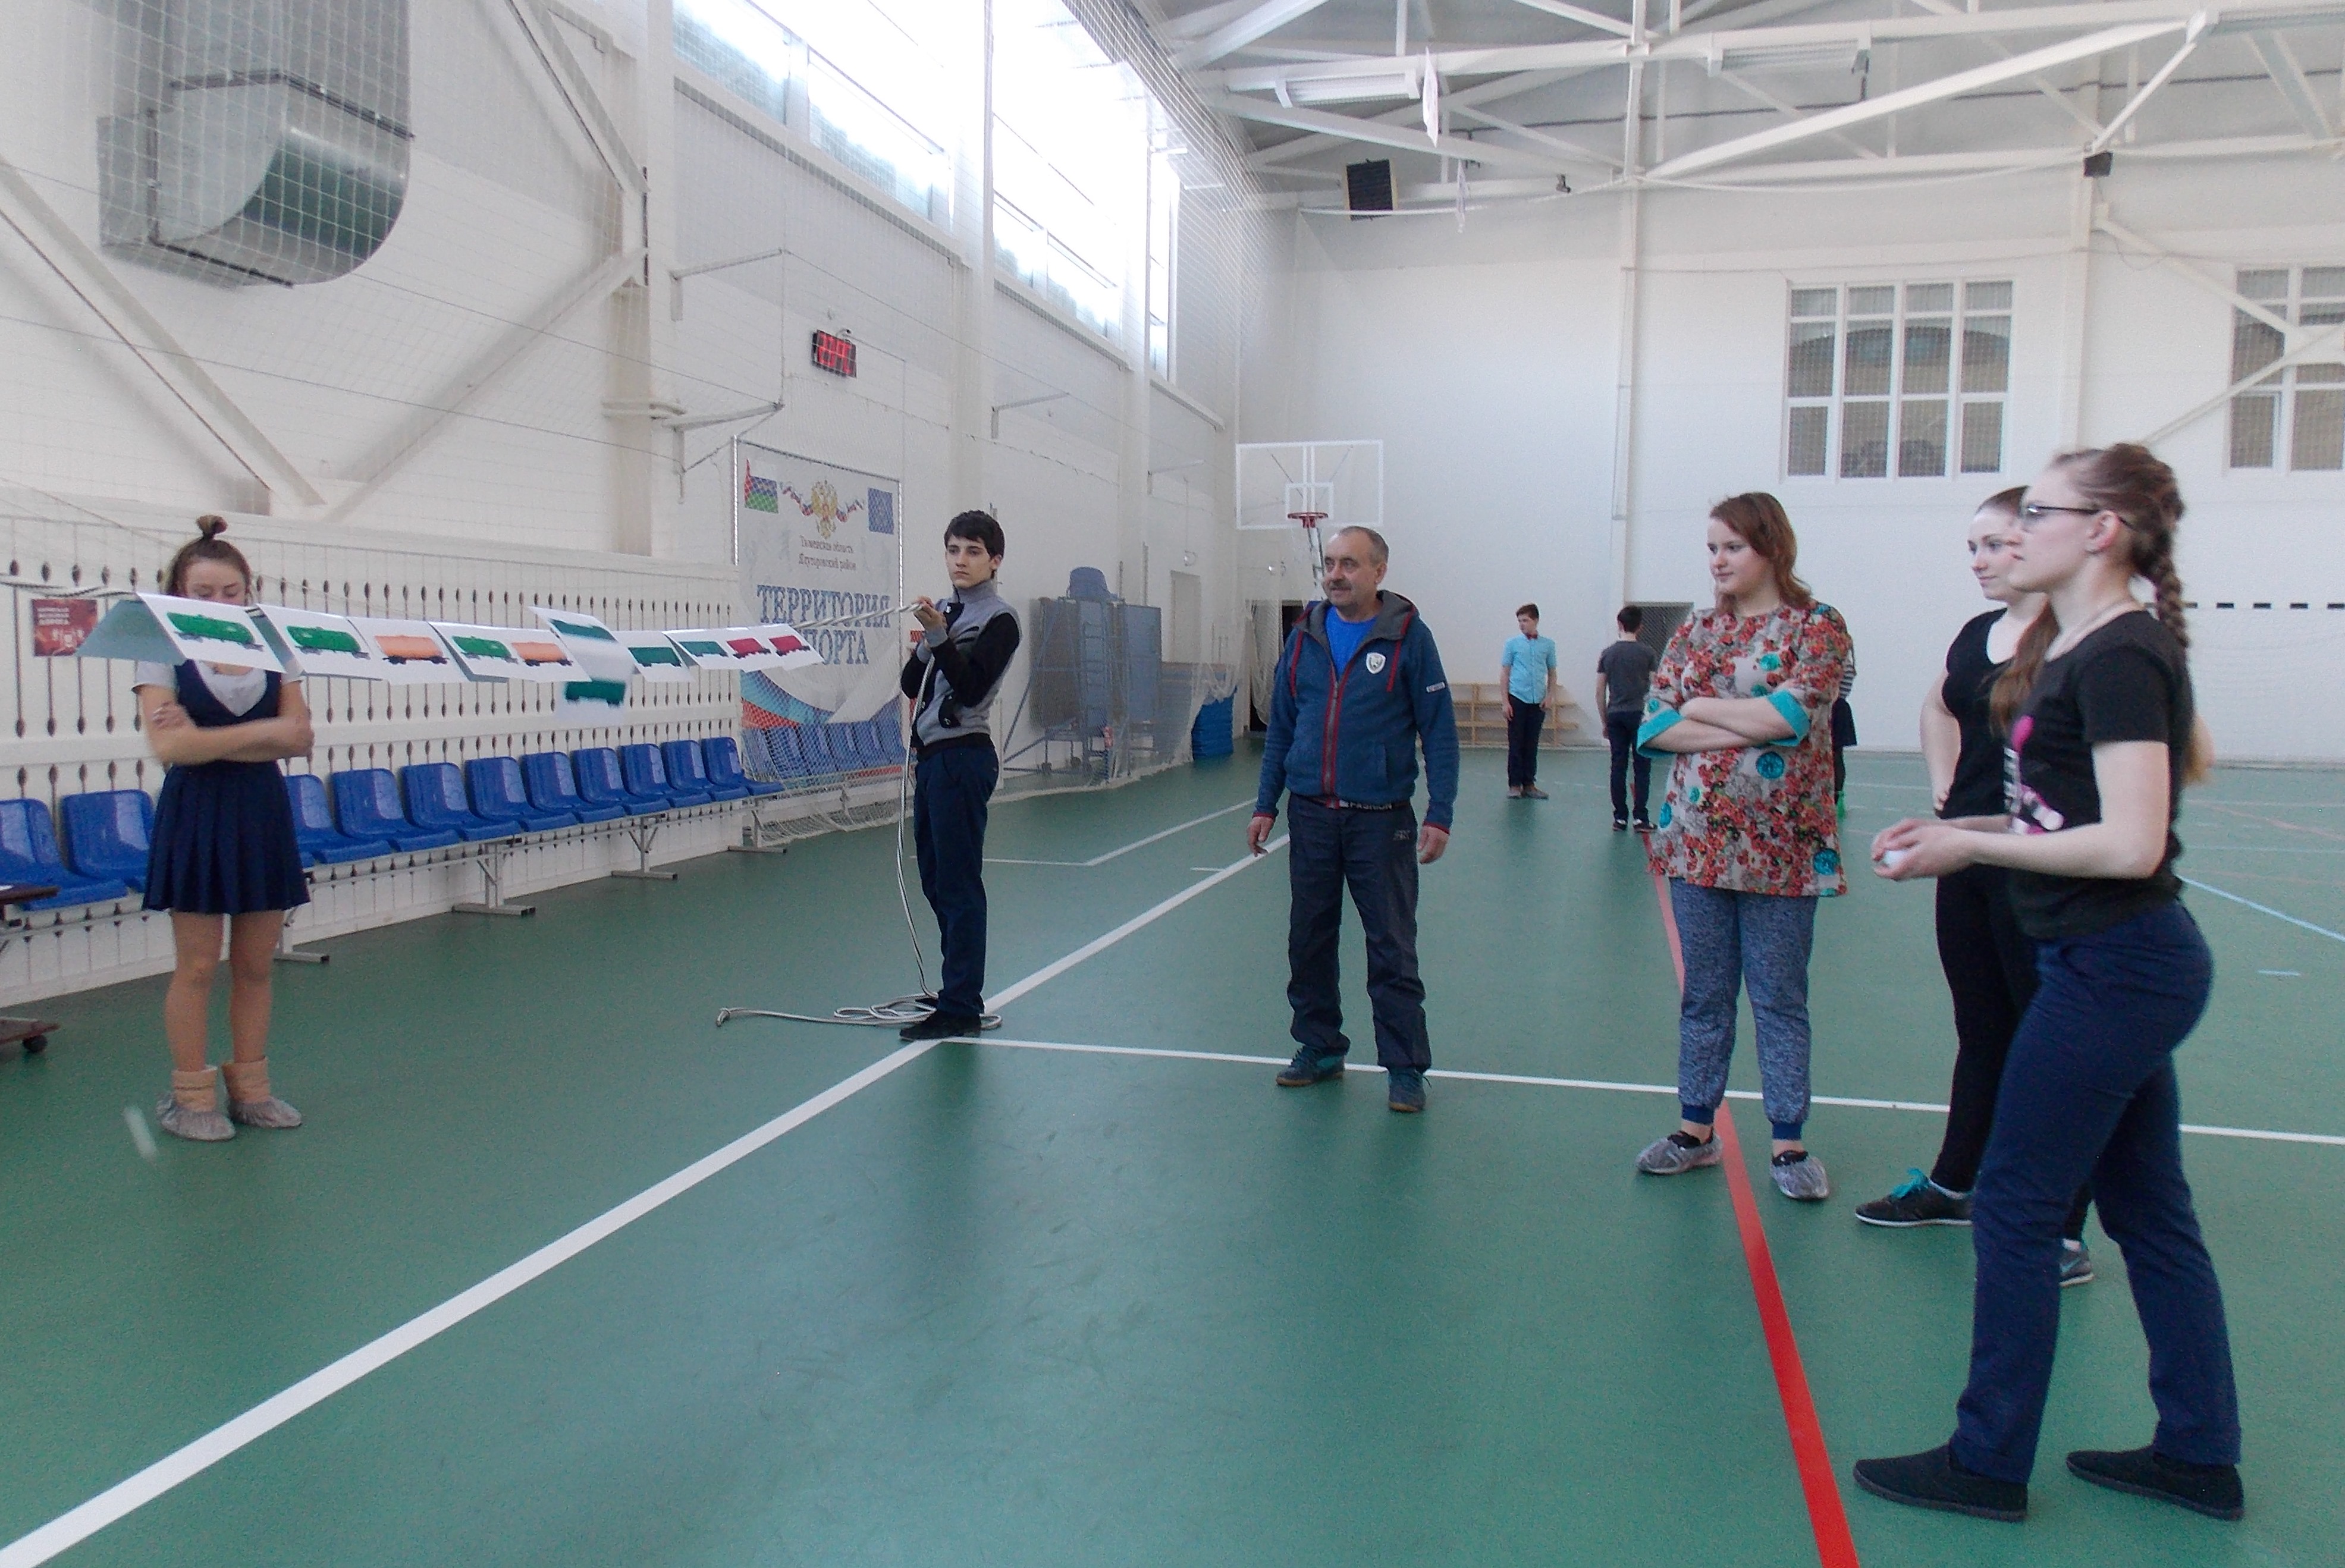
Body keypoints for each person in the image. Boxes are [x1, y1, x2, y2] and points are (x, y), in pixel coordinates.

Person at [1855, 444, 2242, 1525]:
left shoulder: (2120, 654)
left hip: (2117, 966)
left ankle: (1984, 1463)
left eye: (2036, 513)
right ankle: (2197, 1456)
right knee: (2149, 1209)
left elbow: (2128, 843)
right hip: (2105, 962)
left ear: (2100, 530)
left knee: (2016, 1206)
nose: (2014, 532)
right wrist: (1957, 822)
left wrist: (1970, 850)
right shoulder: (2071, 647)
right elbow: (2055, 814)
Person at [1855, 489, 2095, 1289]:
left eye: (1994, 545)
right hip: (1964, 858)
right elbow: (1937, 705)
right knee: (1981, 1026)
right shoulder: (1973, 635)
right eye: (1972, 548)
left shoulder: (2071, 640)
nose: (1980, 562)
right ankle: (1956, 1183)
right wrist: (1942, 790)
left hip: (2039, 863)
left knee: (2048, 1038)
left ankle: (2062, 1224)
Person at [1631, 495, 1851, 1201]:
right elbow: (1654, 728)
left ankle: (1788, 1143)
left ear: (1771, 548)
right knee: (1705, 995)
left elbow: (1792, 716)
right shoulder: (1696, 630)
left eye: (1732, 547)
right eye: (1712, 548)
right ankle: (1695, 1130)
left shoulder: (1817, 627)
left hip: (1784, 850)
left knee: (1779, 998)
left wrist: (1701, 708)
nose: (1718, 561)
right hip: (1696, 846)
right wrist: (1746, 723)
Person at [1249, 527, 1459, 1113]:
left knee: (1391, 947)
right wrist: (1266, 804)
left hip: (1381, 821)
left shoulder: (1409, 637)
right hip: (1311, 817)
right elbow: (1282, 728)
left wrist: (1440, 813)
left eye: (1349, 564)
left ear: (1378, 572)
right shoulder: (1304, 637)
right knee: (1308, 939)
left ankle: (1405, 1067)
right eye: (1330, 563)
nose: (1336, 574)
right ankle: (1319, 1046)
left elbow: (1439, 732)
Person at [134, 517, 313, 1142]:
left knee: (257, 964)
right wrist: (264, 735)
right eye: (203, 592)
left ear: (248, 591)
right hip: (196, 814)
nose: (219, 602)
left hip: (261, 812)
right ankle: (190, 1097)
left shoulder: (277, 648)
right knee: (197, 967)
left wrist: (204, 738)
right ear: (179, 594)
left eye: (231, 592)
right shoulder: (160, 649)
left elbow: (300, 737)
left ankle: (252, 1091)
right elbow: (170, 749)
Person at [896, 511, 1021, 1043]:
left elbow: (970, 688)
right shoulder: (947, 612)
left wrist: (940, 637)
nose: (960, 561)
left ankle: (962, 1004)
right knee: (935, 878)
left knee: (958, 883)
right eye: (953, 550)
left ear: (994, 560)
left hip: (963, 759)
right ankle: (956, 988)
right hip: (931, 761)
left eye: (972, 551)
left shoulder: (1000, 620)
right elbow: (911, 683)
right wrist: (931, 635)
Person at [1594, 607, 1657, 831]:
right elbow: (1656, 688)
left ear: (1619, 625)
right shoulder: (1648, 653)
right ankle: (1641, 817)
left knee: (1618, 765)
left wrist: (1604, 721)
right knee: (1642, 767)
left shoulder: (1608, 654)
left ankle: (1620, 817)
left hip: (1616, 715)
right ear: (1640, 627)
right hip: (1640, 715)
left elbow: (1600, 691)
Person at [1500, 604, 1558, 799]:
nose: (1522, 624)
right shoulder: (1512, 644)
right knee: (1516, 742)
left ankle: (1529, 784)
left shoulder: (1548, 645)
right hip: (1517, 697)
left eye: (1525, 620)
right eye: (1520, 621)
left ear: (1536, 621)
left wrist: (1550, 696)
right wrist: (1505, 701)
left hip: (1538, 700)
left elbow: (1552, 672)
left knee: (1532, 743)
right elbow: (1505, 673)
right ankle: (1514, 784)